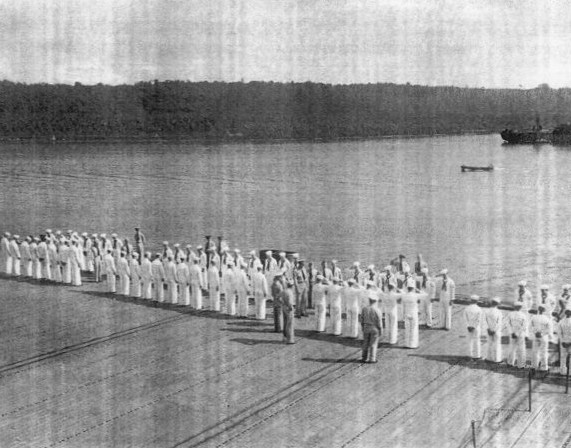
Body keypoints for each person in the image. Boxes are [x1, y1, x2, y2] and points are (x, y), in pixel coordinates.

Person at [360, 294, 383, 363]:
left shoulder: (364, 308)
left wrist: (362, 327)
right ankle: (372, 358)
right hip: (374, 328)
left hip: (366, 327)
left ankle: (364, 357)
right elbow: (379, 321)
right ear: (376, 301)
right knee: (373, 343)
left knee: (365, 343)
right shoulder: (377, 310)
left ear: (369, 301)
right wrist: (381, 330)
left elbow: (361, 319)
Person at [508, 302, 529, 368]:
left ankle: (510, 363)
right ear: (521, 307)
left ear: (514, 307)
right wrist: (526, 335)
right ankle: (521, 365)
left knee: (512, 348)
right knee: (521, 349)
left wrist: (511, 332)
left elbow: (508, 324)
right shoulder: (523, 315)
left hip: (512, 333)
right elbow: (525, 326)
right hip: (520, 334)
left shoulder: (510, 314)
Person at [530, 305, 551, 371]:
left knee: (535, 351)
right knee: (544, 352)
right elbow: (549, 329)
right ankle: (544, 367)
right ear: (544, 310)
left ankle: (534, 366)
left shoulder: (533, 317)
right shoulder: (547, 318)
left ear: (538, 309)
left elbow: (530, 327)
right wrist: (542, 333)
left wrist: (535, 332)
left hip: (536, 336)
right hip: (543, 337)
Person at [402, 280, 421, 348]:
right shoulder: (415, 295)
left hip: (407, 313)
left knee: (407, 329)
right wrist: (418, 290)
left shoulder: (404, 295)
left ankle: (407, 344)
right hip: (413, 313)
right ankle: (413, 344)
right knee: (414, 329)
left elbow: (403, 305)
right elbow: (426, 295)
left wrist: (403, 315)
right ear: (413, 288)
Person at [464, 295, 483, 360]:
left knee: (469, 341)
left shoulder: (467, 308)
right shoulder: (479, 309)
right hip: (476, 327)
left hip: (468, 327)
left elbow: (465, 318)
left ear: (471, 300)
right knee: (477, 341)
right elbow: (478, 320)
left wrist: (468, 326)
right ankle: (477, 356)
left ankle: (469, 355)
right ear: (477, 301)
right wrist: (474, 326)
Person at [485, 297, 503, 363]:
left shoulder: (487, 311)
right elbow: (499, 323)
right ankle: (497, 359)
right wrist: (494, 330)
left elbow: (485, 321)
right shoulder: (499, 312)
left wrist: (488, 329)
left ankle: (489, 358)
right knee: (497, 345)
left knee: (489, 344)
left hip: (489, 330)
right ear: (497, 304)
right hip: (496, 331)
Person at [558, 309, 571, 376]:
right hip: (564, 341)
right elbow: (559, 332)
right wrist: (562, 341)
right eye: (567, 311)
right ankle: (563, 371)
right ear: (565, 312)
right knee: (563, 357)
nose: (568, 313)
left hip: (569, 342)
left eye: (569, 311)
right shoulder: (561, 321)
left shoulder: (561, 321)